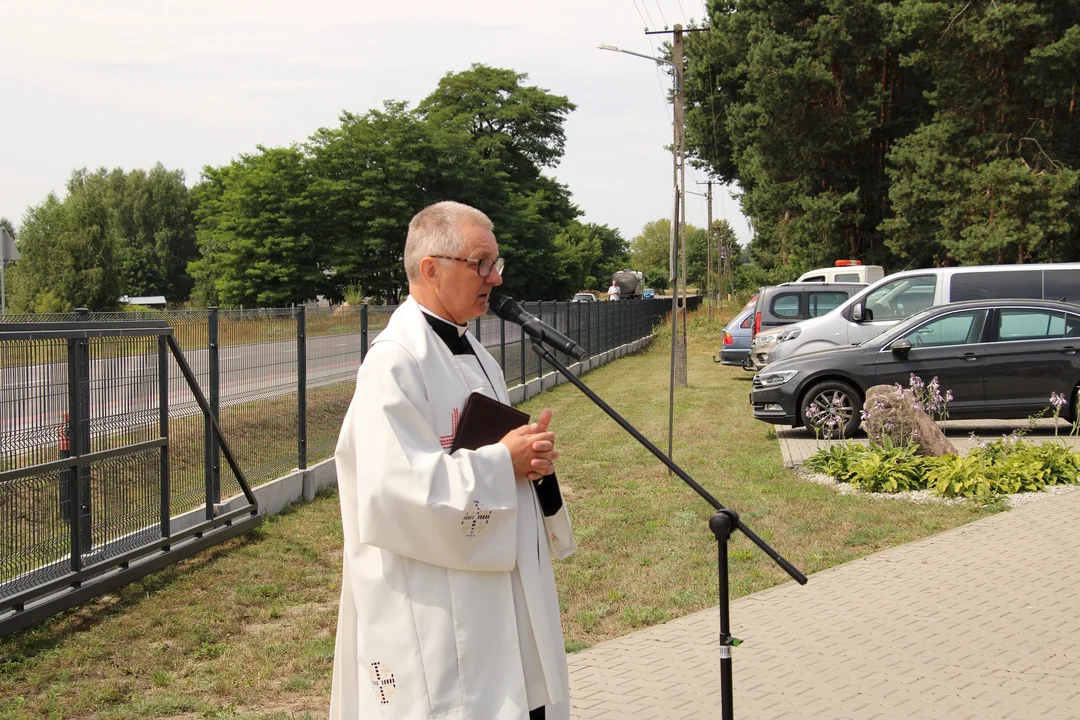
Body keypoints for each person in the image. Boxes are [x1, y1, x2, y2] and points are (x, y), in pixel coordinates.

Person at [331, 201, 577, 720]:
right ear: (431, 268)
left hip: (499, 592)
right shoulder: (395, 361)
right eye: (481, 263)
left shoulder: (477, 354)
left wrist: (529, 461)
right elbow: (393, 492)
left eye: (496, 263)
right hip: (438, 608)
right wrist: (498, 464)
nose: (495, 276)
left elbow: (492, 453)